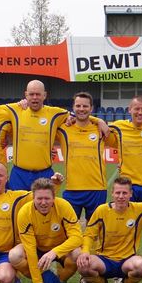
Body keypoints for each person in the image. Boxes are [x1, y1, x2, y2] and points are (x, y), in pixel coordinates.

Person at [4, 80, 108, 191]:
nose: (35, 97)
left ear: (44, 95)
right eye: (31, 94)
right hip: (19, 174)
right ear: (26, 95)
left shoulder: (56, 113)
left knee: (44, 206)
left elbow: (79, 115)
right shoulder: (14, 110)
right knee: (17, 207)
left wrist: (98, 120)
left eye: (38, 94)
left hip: (44, 173)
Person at [76, 176, 142, 283]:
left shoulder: (139, 209)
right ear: (112, 193)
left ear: (130, 194)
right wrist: (85, 252)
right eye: (118, 192)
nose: (121, 196)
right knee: (83, 266)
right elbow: (89, 234)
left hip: (127, 261)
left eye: (124, 193)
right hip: (104, 261)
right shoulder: (101, 210)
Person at [9, 178, 82, 283]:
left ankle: (61, 281)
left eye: (47, 198)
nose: (43, 202)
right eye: (39, 198)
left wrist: (54, 252)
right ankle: (44, 279)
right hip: (38, 248)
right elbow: (30, 250)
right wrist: (37, 282)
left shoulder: (64, 206)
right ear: (33, 197)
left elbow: (77, 237)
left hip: (60, 247)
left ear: (54, 197)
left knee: (77, 254)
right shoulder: (25, 213)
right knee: (14, 256)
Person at [56, 92, 108, 221]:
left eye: (85, 106)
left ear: (91, 108)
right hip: (72, 189)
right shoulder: (63, 130)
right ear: (72, 108)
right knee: (68, 231)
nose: (81, 109)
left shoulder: (100, 129)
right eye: (78, 106)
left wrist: (98, 120)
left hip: (97, 189)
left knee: (96, 233)